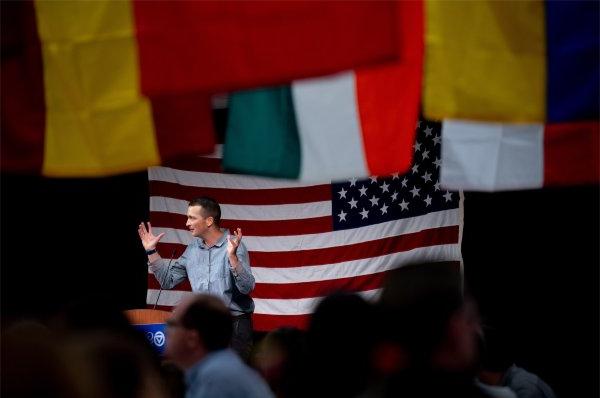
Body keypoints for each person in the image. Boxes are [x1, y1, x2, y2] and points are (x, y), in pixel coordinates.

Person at [138, 196, 255, 359]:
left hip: (233, 327)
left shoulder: (234, 247)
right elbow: (167, 280)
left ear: (209, 221)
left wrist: (233, 258)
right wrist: (151, 251)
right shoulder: (192, 250)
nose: (187, 223)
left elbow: (247, 287)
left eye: (192, 218)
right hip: (204, 328)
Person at [164, 293, 274, 398]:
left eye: (171, 324)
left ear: (192, 338)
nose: (165, 330)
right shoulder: (220, 368)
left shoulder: (216, 378)